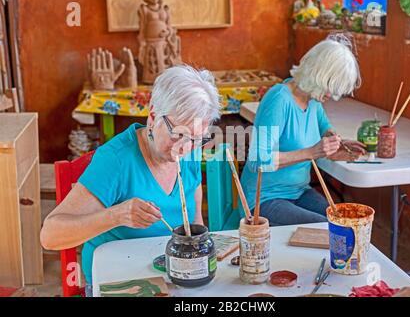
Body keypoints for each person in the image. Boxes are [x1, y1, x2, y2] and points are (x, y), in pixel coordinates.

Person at [40, 65, 221, 296]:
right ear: (153, 116)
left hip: (173, 273)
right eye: (178, 135)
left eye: (197, 138)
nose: (185, 148)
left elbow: (193, 200)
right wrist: (117, 215)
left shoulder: (190, 149)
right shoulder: (116, 160)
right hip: (119, 277)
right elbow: (50, 236)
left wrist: (197, 240)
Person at [240, 34, 366, 226]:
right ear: (318, 75)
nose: (332, 95)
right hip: (264, 198)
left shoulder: (313, 101)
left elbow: (325, 128)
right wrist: (311, 152)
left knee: (342, 222)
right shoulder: (279, 99)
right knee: (328, 229)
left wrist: (336, 142)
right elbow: (258, 161)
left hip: (299, 191)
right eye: (330, 87)